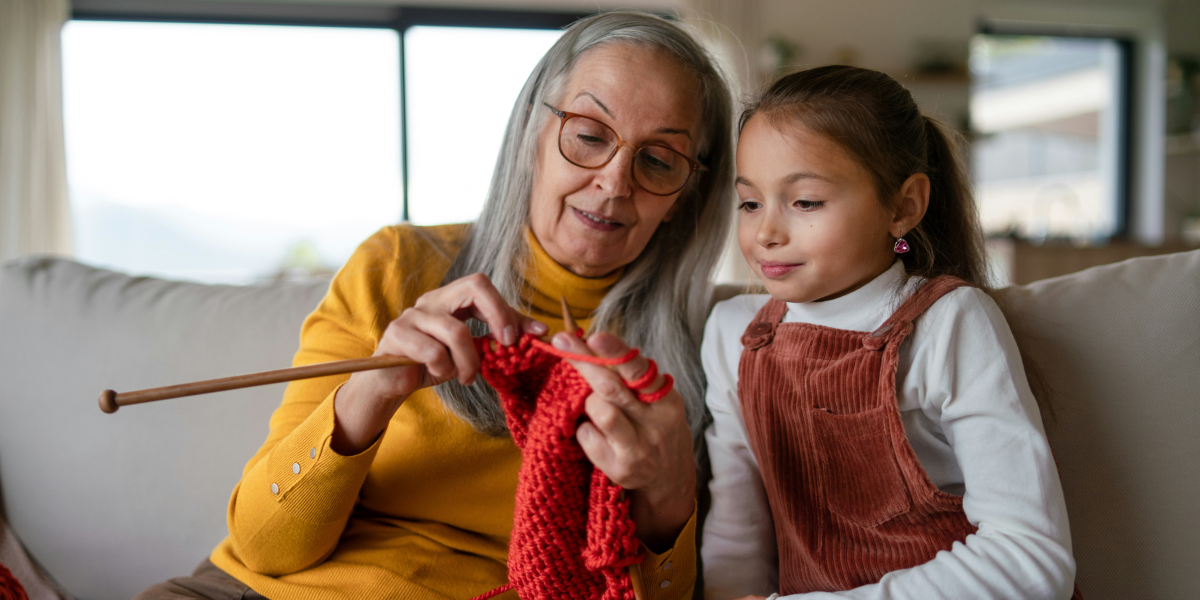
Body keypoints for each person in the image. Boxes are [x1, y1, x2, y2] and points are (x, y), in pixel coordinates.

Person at [136, 11, 735, 600]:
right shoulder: (397, 265)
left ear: (687, 194)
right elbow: (265, 548)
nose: (614, 181)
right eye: (587, 135)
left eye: (659, 160)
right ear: (532, 134)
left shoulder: (710, 345)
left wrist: (670, 490)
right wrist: (372, 391)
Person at [700, 66, 1081, 600]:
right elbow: (737, 534)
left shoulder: (948, 323)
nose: (765, 232)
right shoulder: (732, 334)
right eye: (750, 202)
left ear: (904, 207)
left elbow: (1031, 559)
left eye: (805, 201)